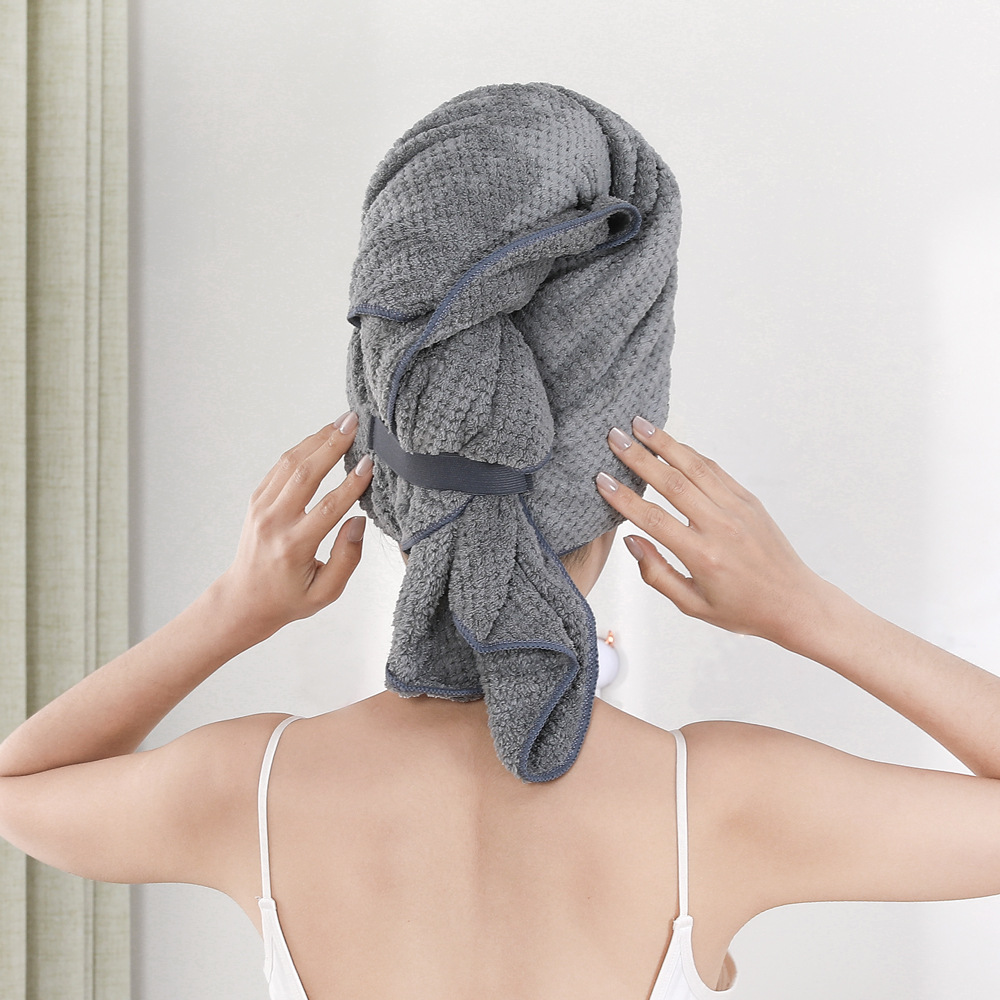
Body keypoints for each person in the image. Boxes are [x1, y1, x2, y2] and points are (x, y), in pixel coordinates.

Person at [3, 407, 1000, 1000]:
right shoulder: (718, 804)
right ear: (609, 521)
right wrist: (803, 608)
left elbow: (22, 788)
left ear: (390, 514)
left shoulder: (254, 790)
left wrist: (232, 611)